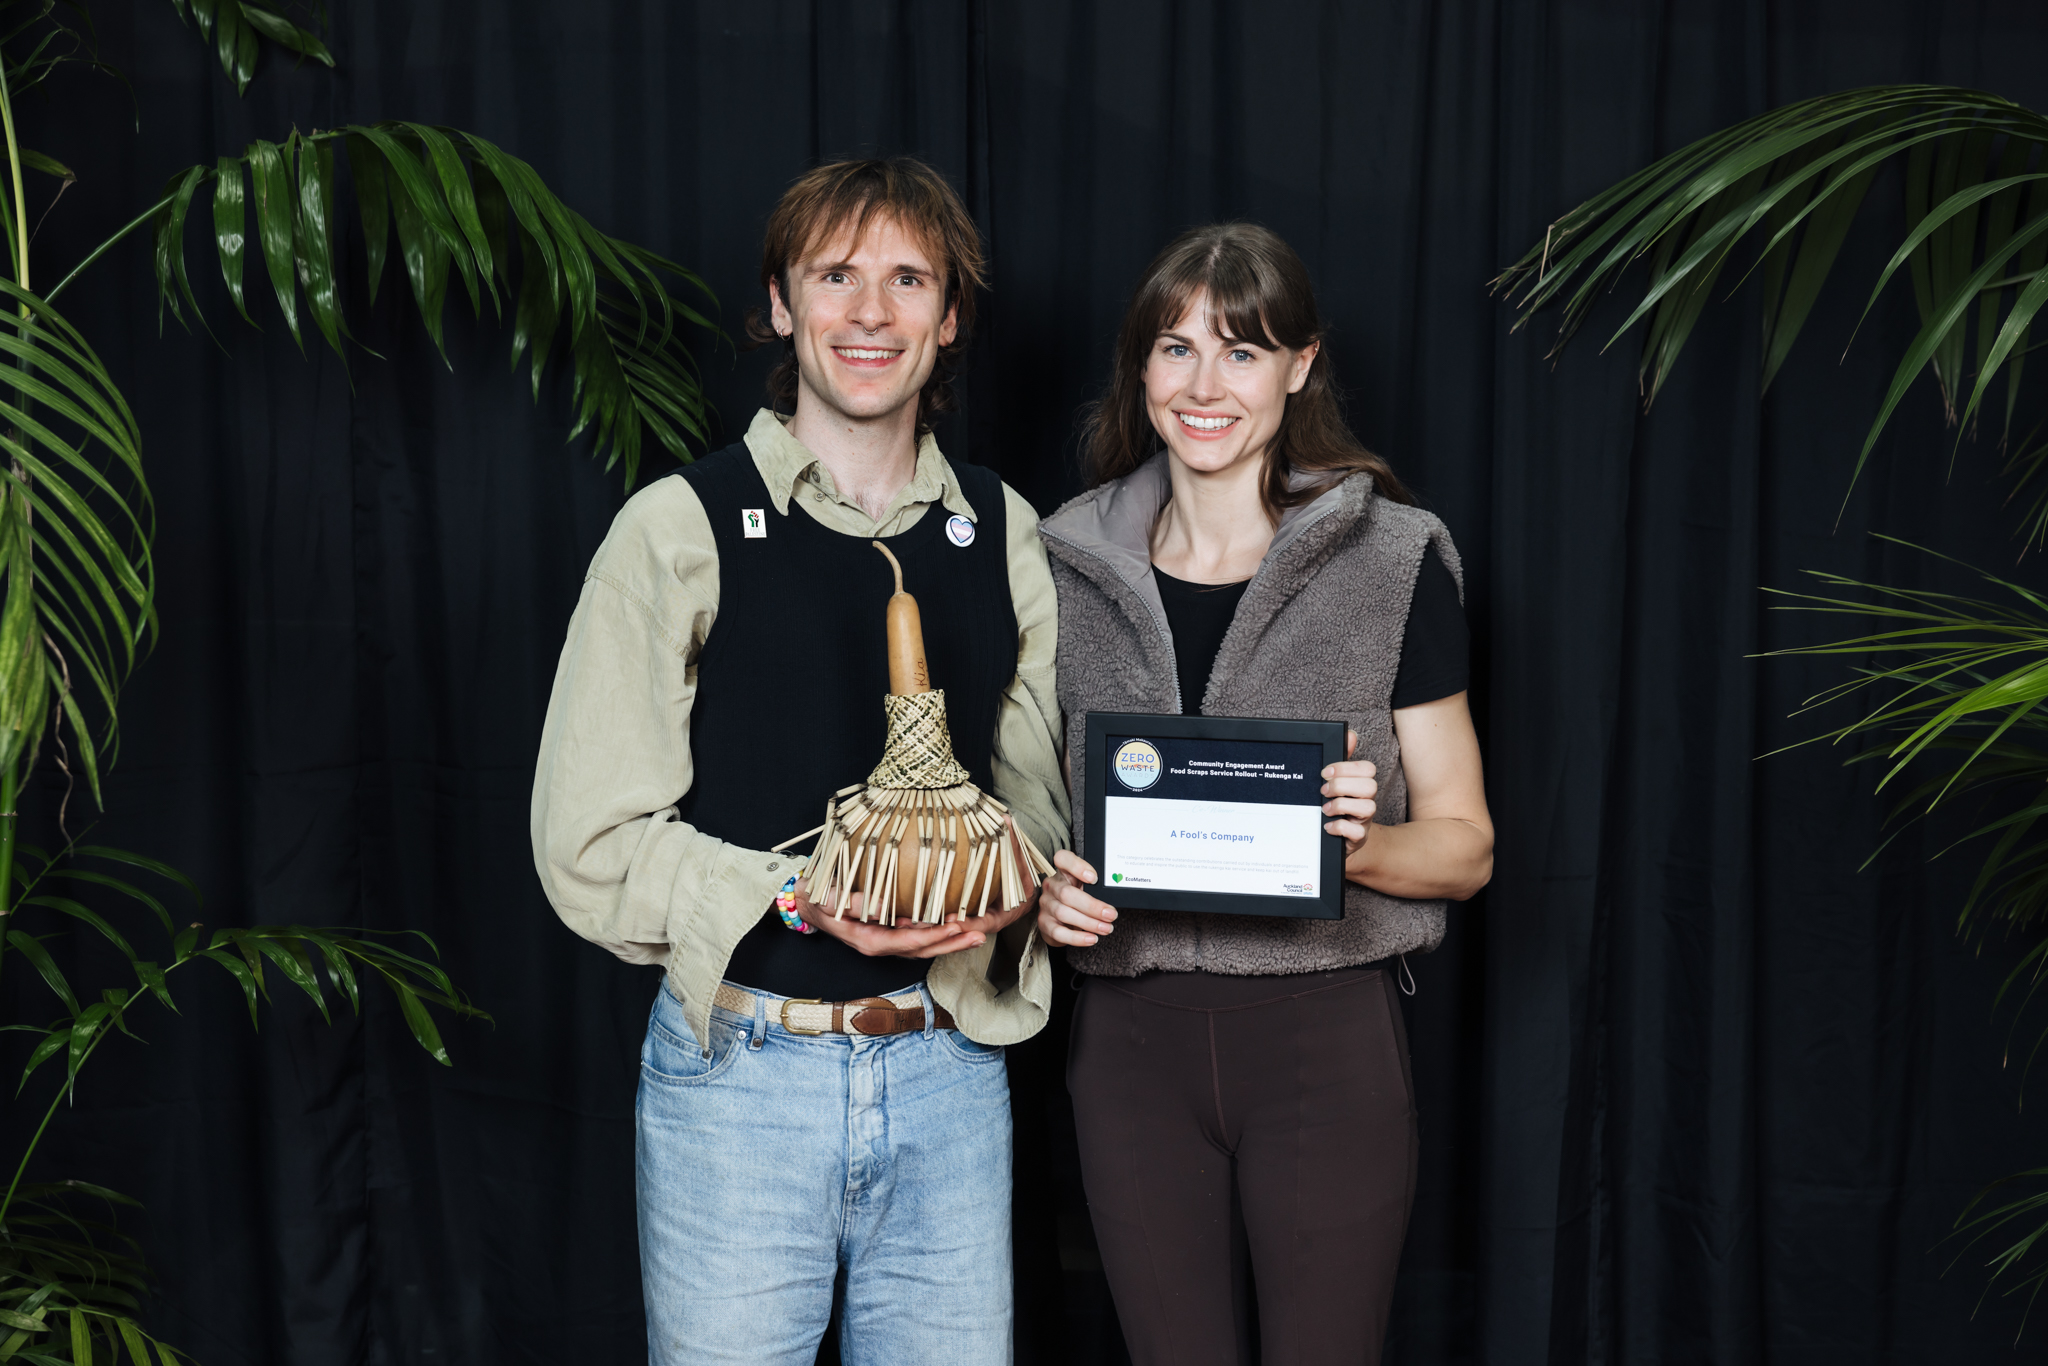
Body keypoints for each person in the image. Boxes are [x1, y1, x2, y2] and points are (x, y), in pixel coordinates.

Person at [531, 157, 1066, 1366]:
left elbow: (1030, 798)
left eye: (906, 279)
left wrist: (1016, 880)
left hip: (947, 1072)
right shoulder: (679, 526)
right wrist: (799, 893)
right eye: (836, 276)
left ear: (949, 317)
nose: (869, 313)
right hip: (741, 1079)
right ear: (781, 304)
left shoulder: (1005, 528)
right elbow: (587, 840)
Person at [1033, 222, 1494, 1366]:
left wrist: (1357, 842)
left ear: (1299, 367)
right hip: (1128, 1043)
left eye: (1242, 352)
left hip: (1321, 1039)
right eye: (1174, 348)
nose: (1203, 386)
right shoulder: (1052, 562)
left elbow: (1465, 846)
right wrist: (1041, 890)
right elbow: (1023, 810)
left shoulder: (1392, 558)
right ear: (1138, 369)